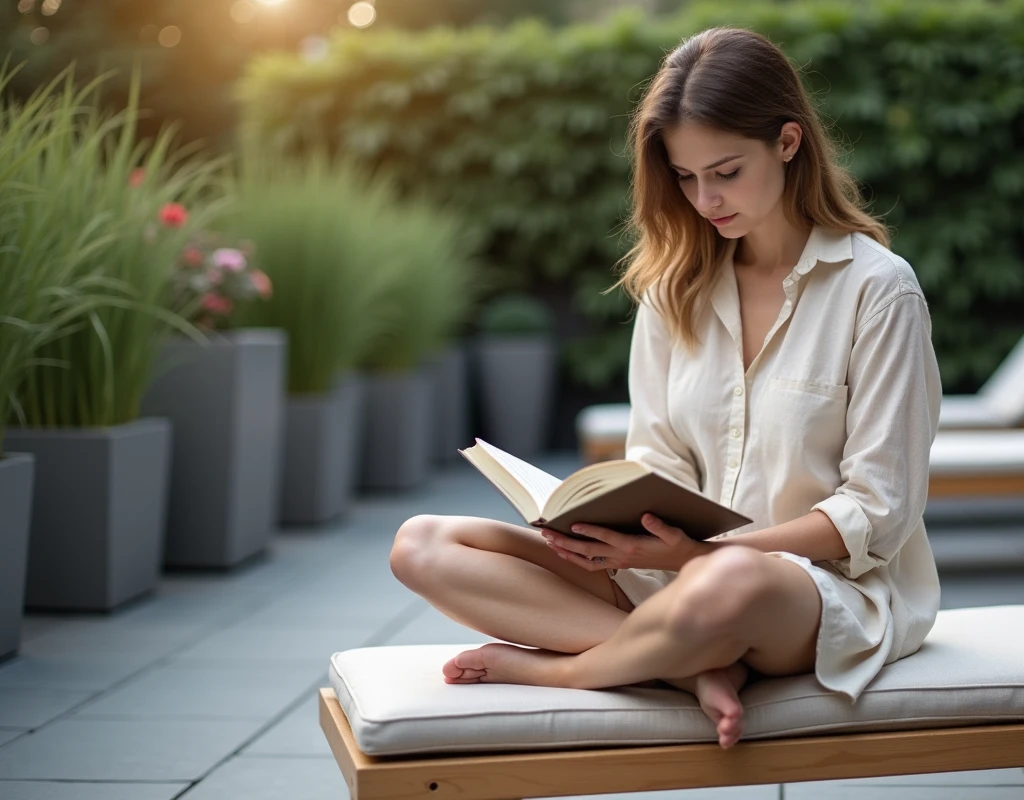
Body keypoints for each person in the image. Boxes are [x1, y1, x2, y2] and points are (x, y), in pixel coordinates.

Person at [389, 26, 941, 750]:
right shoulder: (674, 290)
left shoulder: (878, 290)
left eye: (725, 171)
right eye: (684, 177)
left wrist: (698, 558)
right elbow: (661, 463)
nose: (705, 198)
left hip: (809, 590)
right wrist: (613, 529)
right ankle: (684, 670)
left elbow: (878, 512)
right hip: (671, 574)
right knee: (423, 543)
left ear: (787, 142)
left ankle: (566, 672)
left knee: (732, 581)